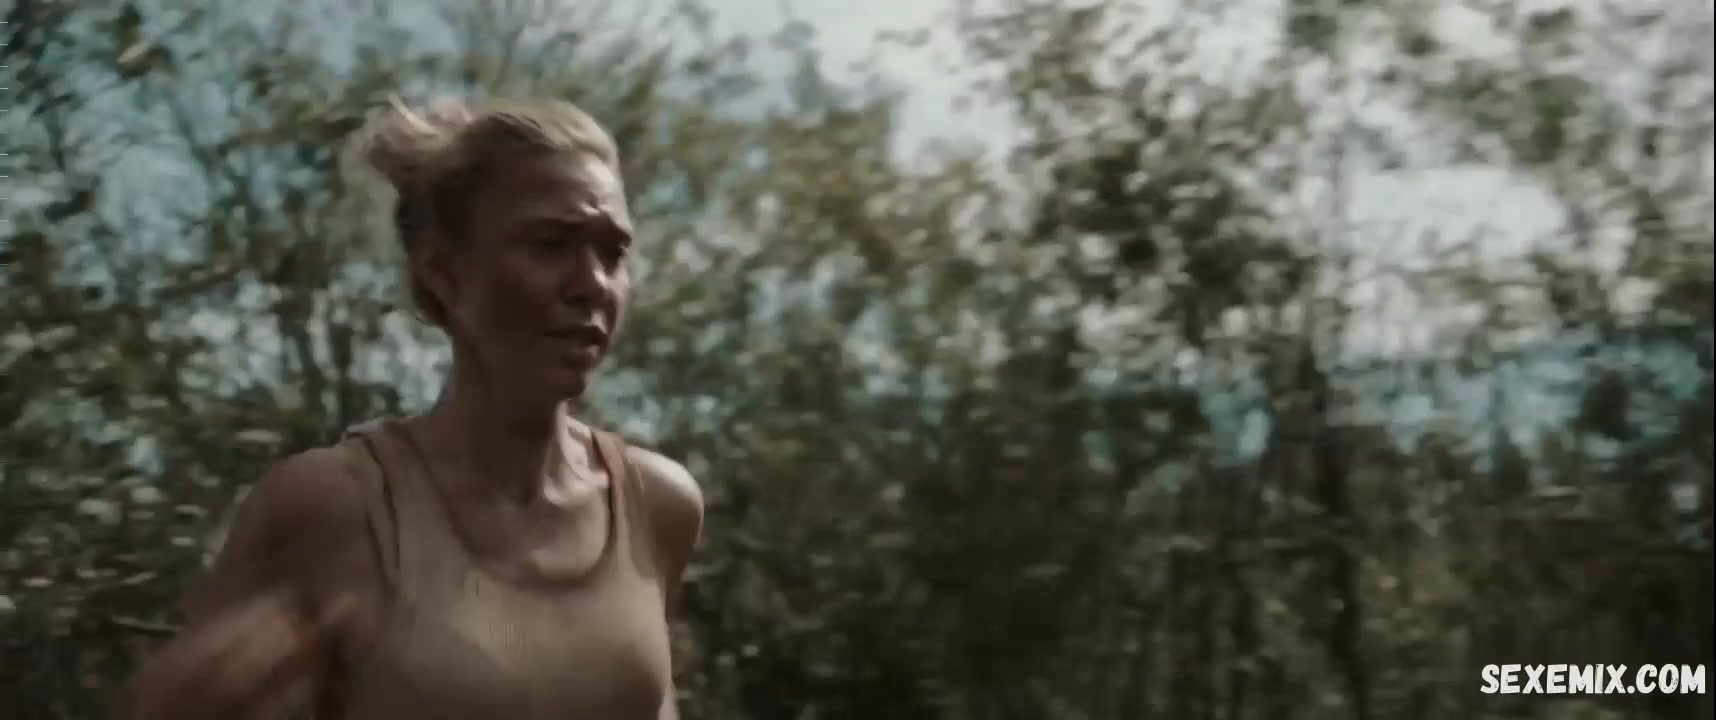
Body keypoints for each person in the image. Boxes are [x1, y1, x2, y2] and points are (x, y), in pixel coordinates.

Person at [117, 97, 705, 719]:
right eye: (550, 244)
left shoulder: (657, 506)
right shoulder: (332, 507)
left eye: (613, 253)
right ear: (442, 273)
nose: (593, 285)